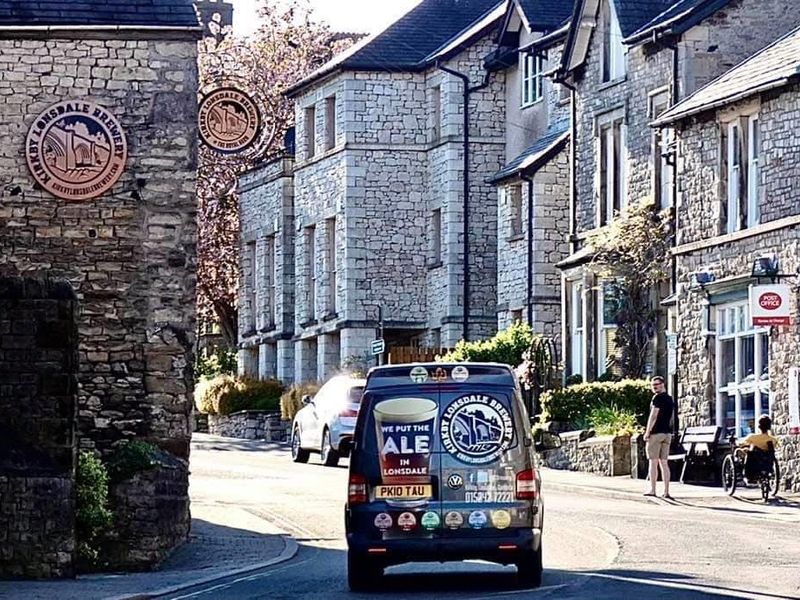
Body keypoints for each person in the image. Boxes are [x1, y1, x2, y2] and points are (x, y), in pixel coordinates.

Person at [643, 376, 673, 499]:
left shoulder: (657, 398)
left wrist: (647, 431)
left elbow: (654, 415)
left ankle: (653, 489)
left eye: (657, 384)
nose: (655, 386)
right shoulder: (669, 399)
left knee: (653, 462)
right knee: (664, 463)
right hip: (667, 434)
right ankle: (666, 491)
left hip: (656, 434)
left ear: (663, 384)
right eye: (653, 385)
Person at [738, 415, 779, 481]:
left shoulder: (753, 437)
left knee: (744, 450)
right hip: (767, 462)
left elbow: (742, 444)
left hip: (753, 462)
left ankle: (745, 474)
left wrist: (737, 444)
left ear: (759, 426)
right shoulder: (773, 440)